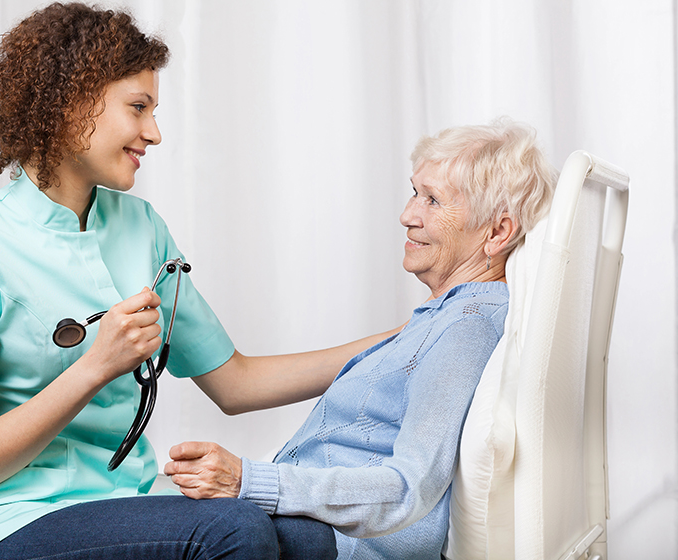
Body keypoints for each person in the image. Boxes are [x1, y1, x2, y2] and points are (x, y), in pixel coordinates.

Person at [0, 3, 394, 560]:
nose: (155, 133)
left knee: (312, 541)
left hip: (124, 500)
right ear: (70, 102)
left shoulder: (141, 229)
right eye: (138, 108)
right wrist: (95, 366)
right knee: (235, 531)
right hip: (9, 520)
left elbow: (235, 383)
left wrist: (402, 341)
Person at [164, 120, 557, 559]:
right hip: (313, 528)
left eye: (433, 200)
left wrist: (248, 480)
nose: (409, 215)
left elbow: (410, 487)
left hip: (343, 543)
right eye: (415, 193)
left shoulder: (467, 324)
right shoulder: (443, 317)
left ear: (498, 233)